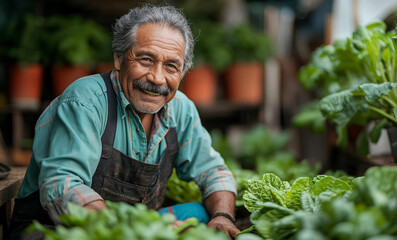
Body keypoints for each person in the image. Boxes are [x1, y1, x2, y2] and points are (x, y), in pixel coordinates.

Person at [9, 4, 239, 239]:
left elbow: (213, 171)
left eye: (171, 66)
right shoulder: (85, 101)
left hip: (135, 230)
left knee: (201, 212)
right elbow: (63, 185)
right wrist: (129, 230)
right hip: (58, 230)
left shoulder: (181, 108)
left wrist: (223, 216)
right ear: (119, 59)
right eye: (146, 59)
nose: (157, 78)